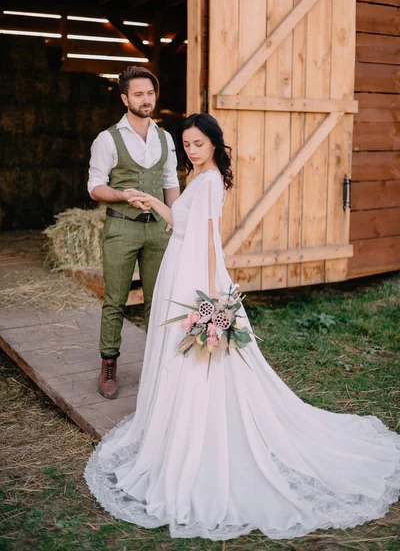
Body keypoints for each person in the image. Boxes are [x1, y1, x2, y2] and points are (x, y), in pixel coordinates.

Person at [84, 112, 400, 541]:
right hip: (180, 262)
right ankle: (174, 418)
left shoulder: (210, 182)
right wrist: (154, 201)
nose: (191, 150)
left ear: (214, 143)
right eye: (186, 144)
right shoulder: (199, 180)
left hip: (197, 273)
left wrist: (214, 299)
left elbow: (211, 240)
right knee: (177, 348)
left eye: (198, 143)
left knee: (199, 353)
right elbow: (182, 223)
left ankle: (198, 424)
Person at [87, 65, 180, 400]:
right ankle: (108, 363)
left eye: (150, 93)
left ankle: (158, 367)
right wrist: (122, 194)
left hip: (158, 232)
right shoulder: (107, 139)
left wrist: (176, 221)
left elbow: (171, 182)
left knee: (160, 301)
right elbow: (95, 187)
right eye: (139, 94)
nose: (146, 99)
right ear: (125, 98)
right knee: (115, 300)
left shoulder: (165, 138)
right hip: (121, 228)